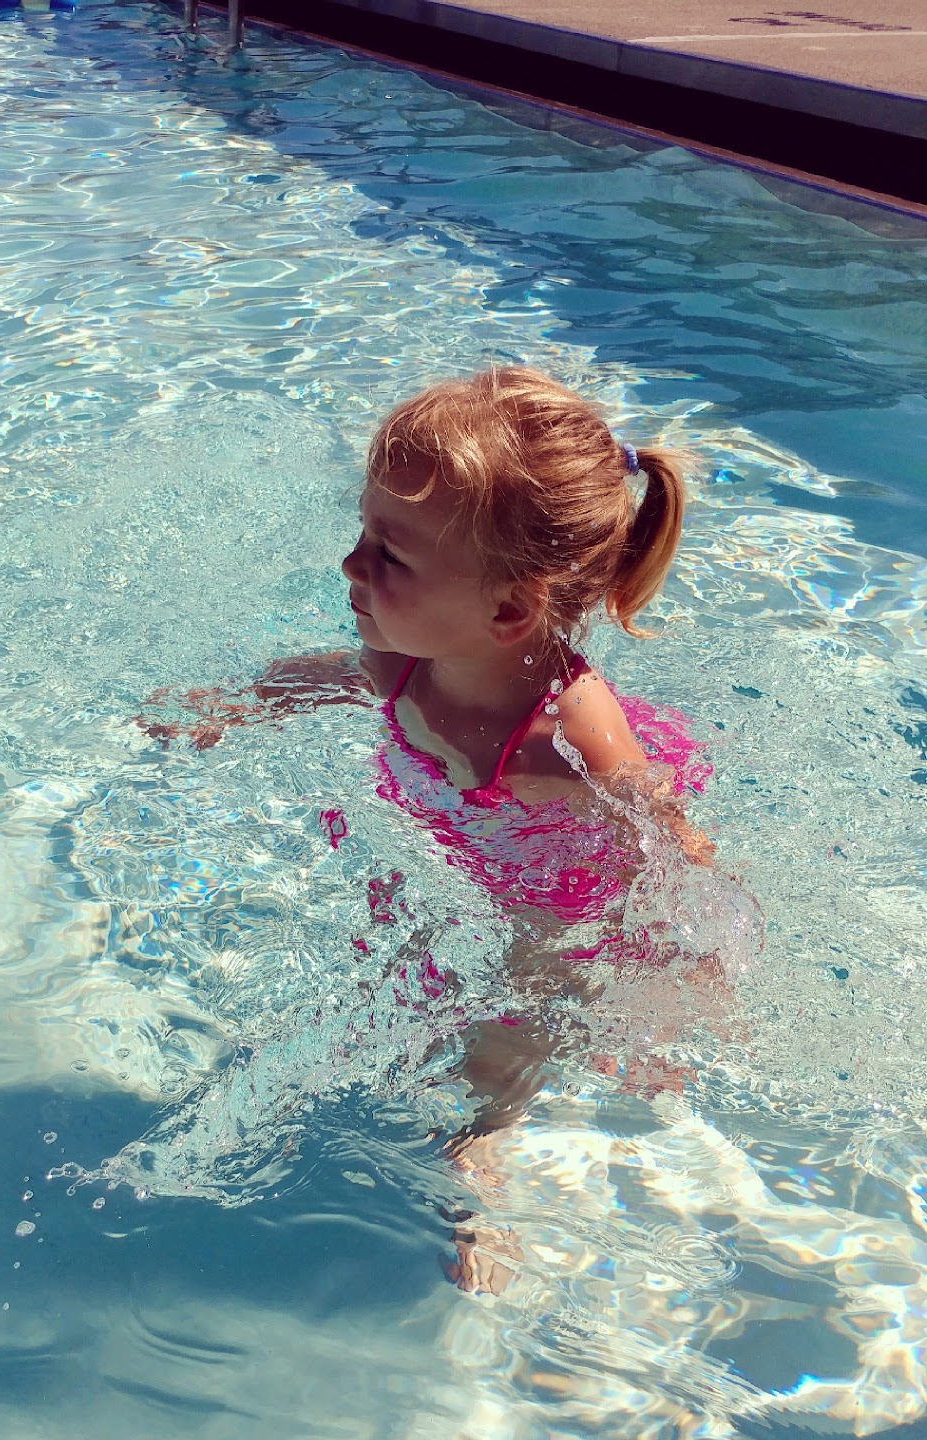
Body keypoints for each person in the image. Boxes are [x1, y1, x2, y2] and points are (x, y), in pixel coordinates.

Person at [143, 367, 727, 1290]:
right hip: (457, 837)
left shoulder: (566, 741)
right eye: (363, 531)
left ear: (507, 609)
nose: (351, 566)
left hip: (555, 887)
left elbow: (665, 847)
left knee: (512, 1023)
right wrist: (235, 703)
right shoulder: (399, 658)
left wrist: (670, 979)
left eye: (391, 553)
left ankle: (481, 1146)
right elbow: (330, 676)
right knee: (410, 967)